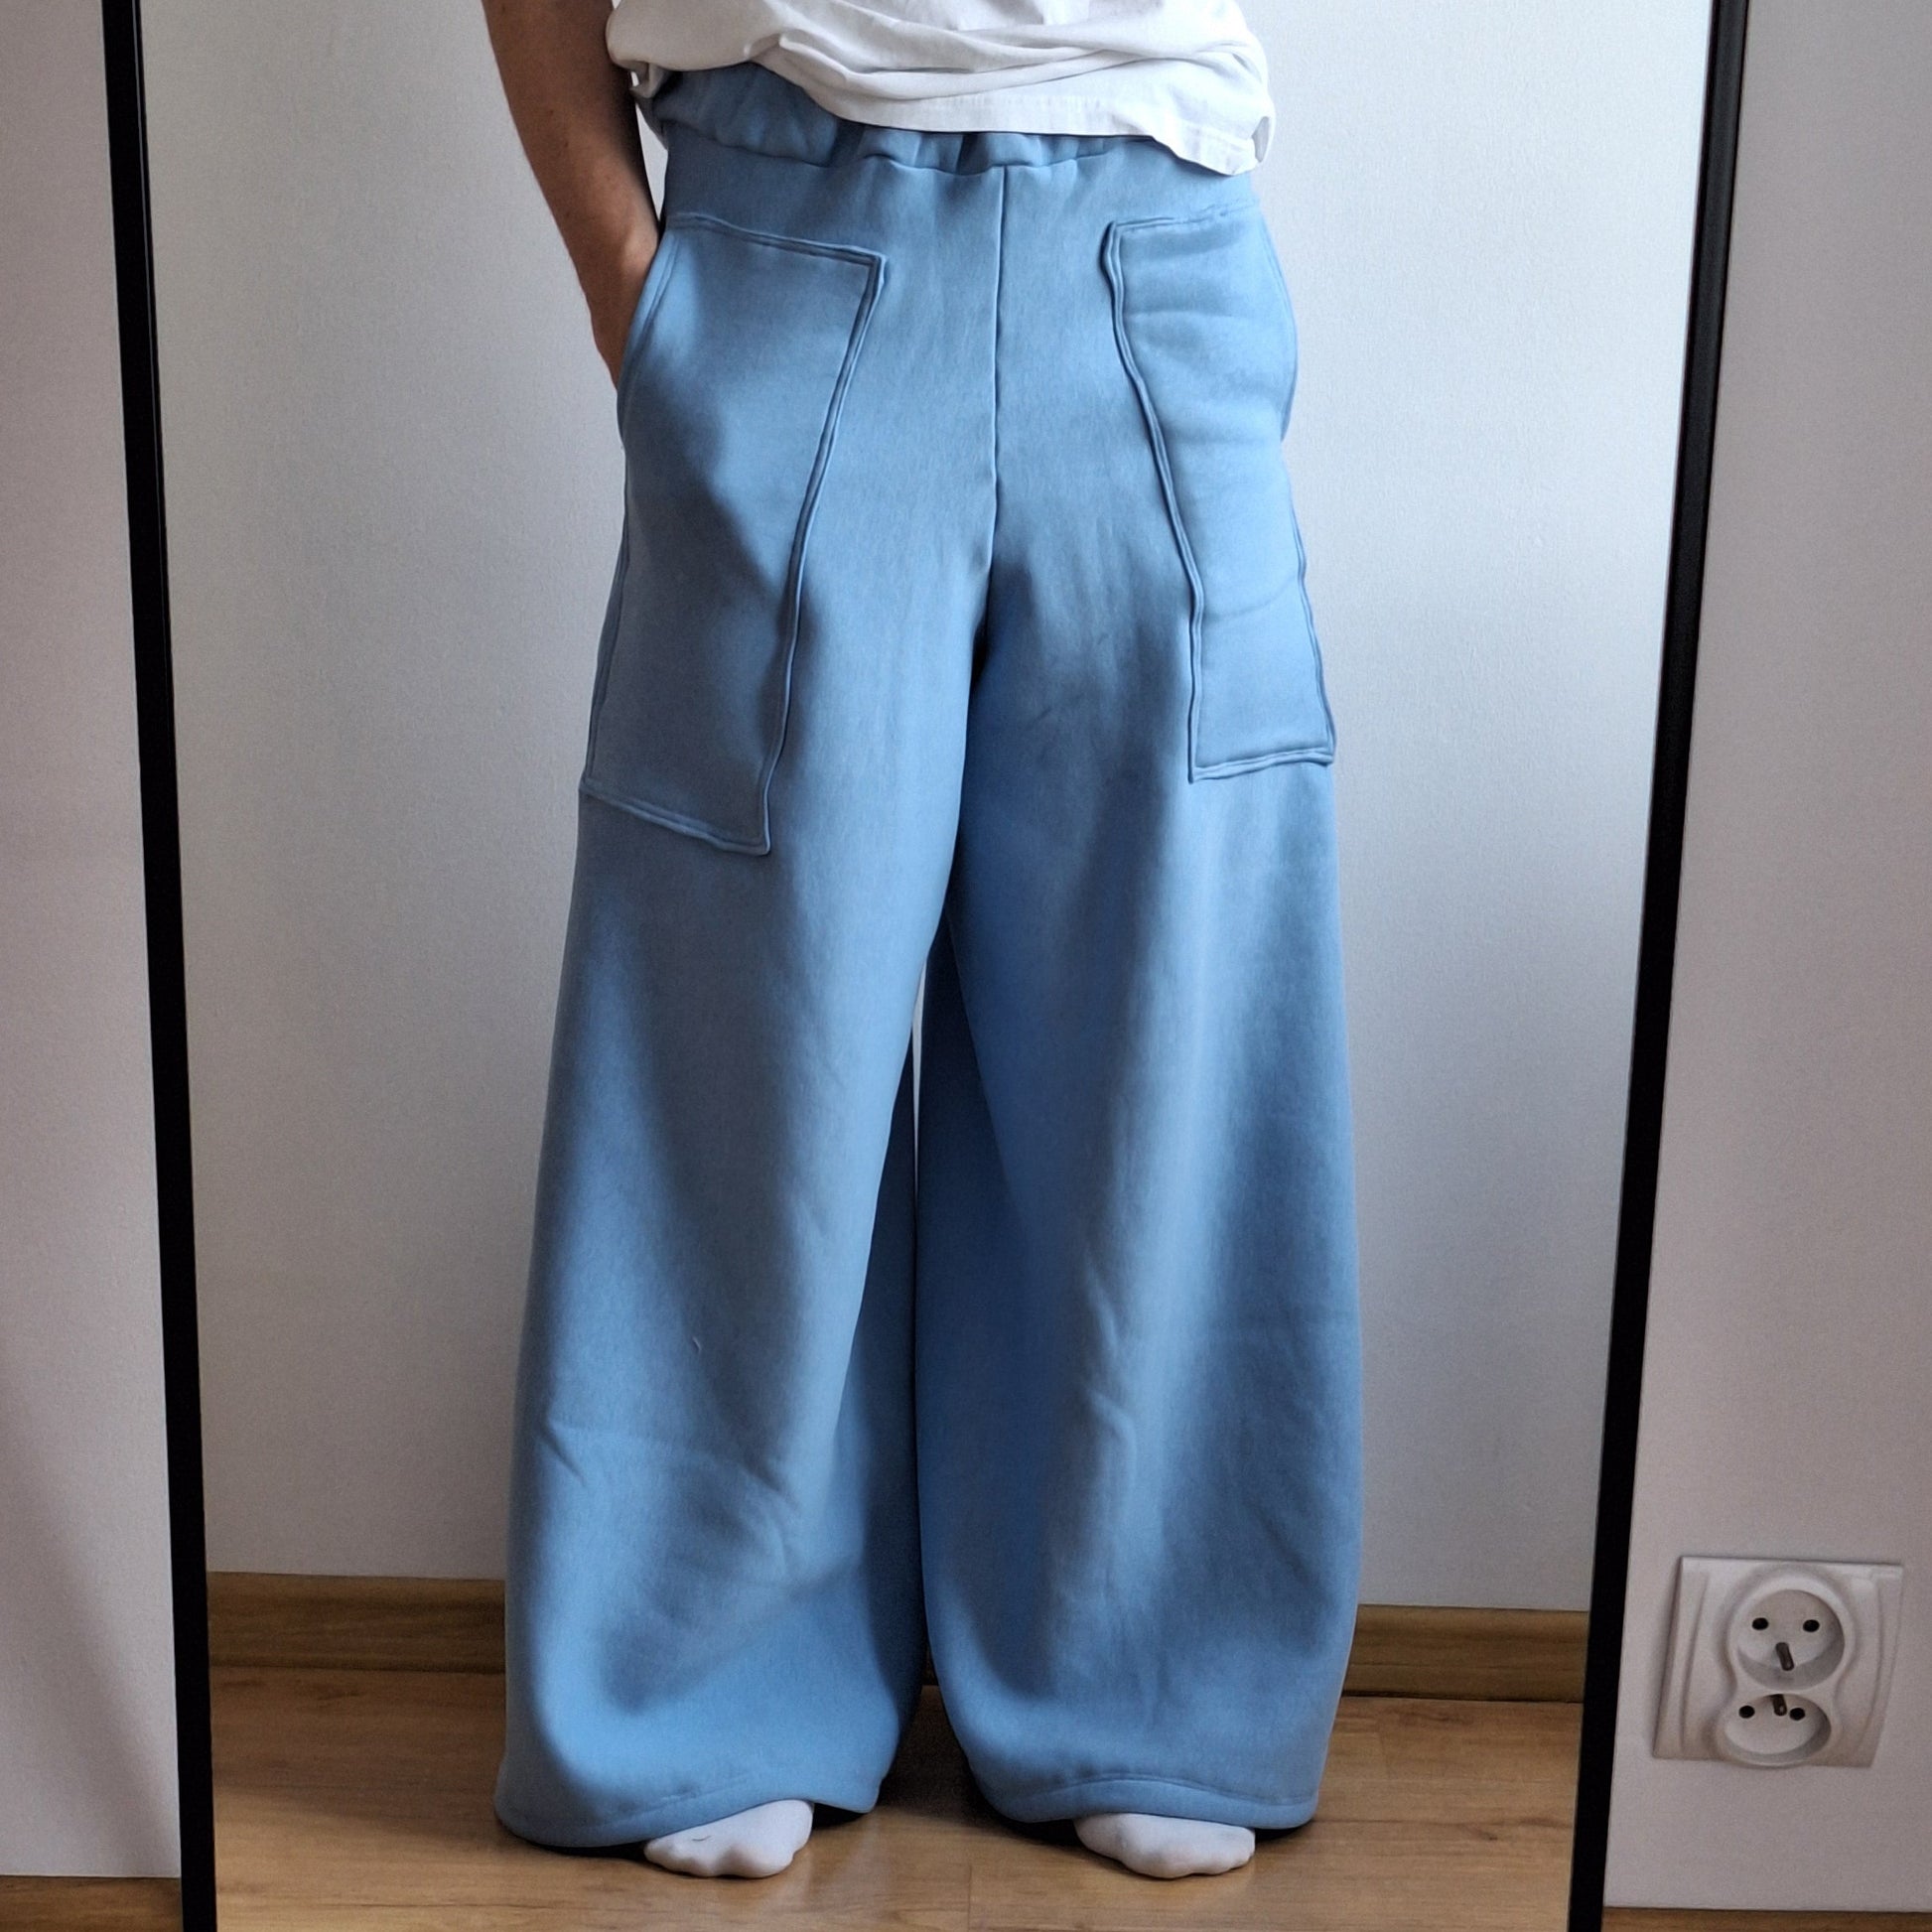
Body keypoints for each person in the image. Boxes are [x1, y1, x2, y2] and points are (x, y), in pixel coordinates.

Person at [481, 0, 1361, 1883]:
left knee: (1167, 997)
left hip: (1154, 235)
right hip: (783, 223)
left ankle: (1152, 1671)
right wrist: (632, 287)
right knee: (741, 1008)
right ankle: (699, 1681)